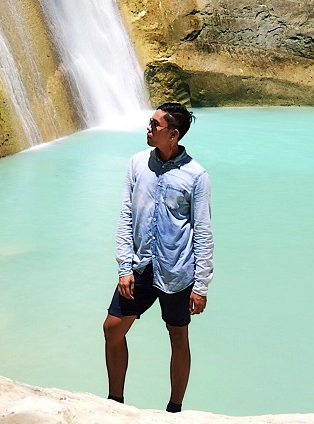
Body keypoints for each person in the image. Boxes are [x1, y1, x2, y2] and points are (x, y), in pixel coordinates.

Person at [103, 102, 213, 413]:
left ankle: (174, 409)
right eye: (150, 123)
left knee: (178, 336)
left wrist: (201, 285)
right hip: (139, 267)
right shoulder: (137, 164)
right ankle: (115, 402)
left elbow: (203, 232)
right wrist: (125, 266)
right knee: (112, 328)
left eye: (155, 125)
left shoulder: (196, 176)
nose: (148, 129)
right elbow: (126, 215)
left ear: (173, 134)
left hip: (176, 272)